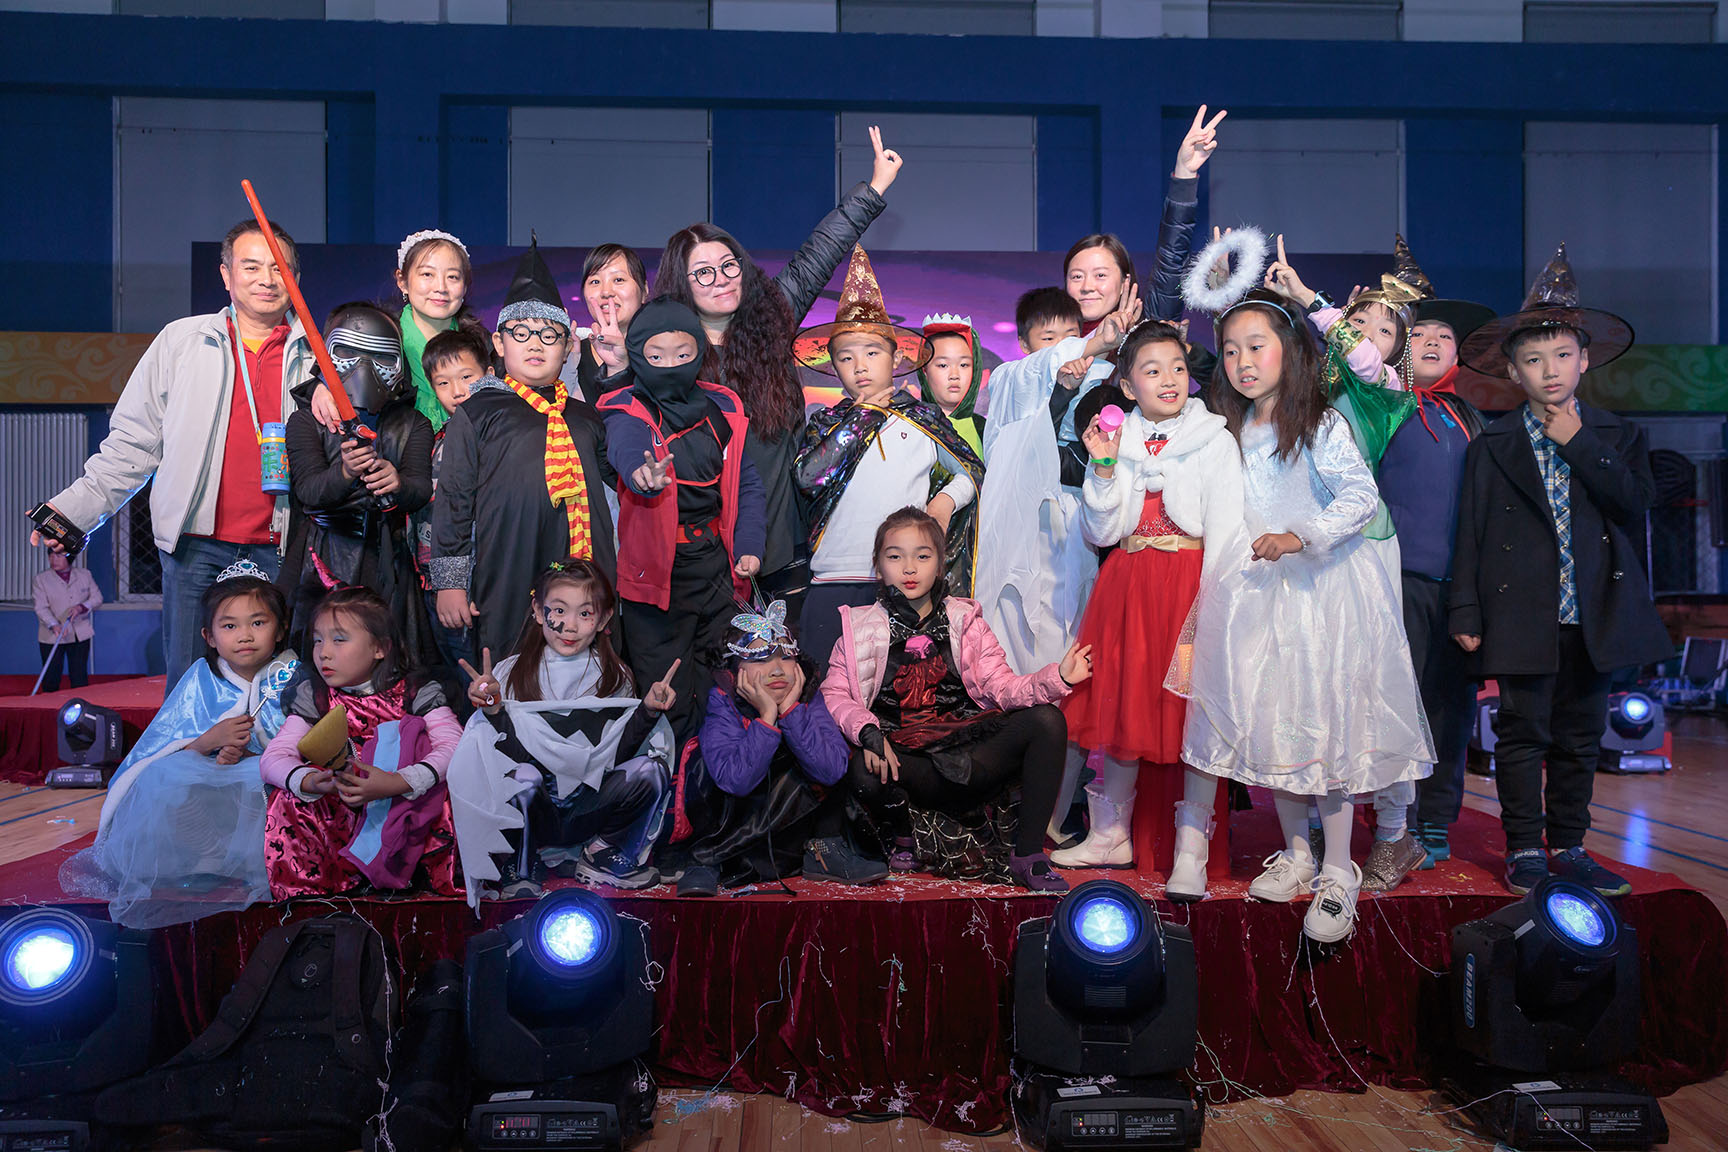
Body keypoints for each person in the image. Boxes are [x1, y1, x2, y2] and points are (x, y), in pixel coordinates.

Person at [1179, 274, 1432, 945]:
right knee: (1276, 725)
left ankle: (1340, 868)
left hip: (1323, 593)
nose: (1243, 362)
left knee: (1326, 728)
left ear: (1289, 351)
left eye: (1256, 346)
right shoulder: (1230, 429)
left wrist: (1301, 535)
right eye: (1231, 350)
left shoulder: (1318, 422)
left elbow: (1360, 497)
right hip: (1260, 593)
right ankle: (1296, 853)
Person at [1452, 245, 1671, 898]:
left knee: (1581, 736)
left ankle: (1570, 845)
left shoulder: (1618, 435)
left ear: (1584, 360)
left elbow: (1633, 503)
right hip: (1521, 611)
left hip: (1595, 611)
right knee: (1522, 734)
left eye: (1562, 355)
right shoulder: (1492, 444)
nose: (1549, 370)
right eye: (1533, 359)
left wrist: (1579, 441)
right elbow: (1471, 532)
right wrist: (1466, 608)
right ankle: (1524, 848)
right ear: (1513, 370)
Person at [35, 219, 314, 686]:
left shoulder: (319, 354)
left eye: (279, 268)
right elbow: (132, 443)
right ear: (226, 275)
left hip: (284, 546)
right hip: (195, 547)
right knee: (187, 686)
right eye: (251, 266)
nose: (266, 279)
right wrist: (72, 512)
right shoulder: (182, 343)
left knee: (281, 690)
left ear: (296, 279)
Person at [652, 124, 907, 612]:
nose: (721, 279)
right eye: (703, 273)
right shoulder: (669, 353)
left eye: (728, 265)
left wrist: (874, 187)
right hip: (704, 540)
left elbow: (819, 254)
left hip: (784, 533)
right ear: (682, 284)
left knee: (788, 651)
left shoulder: (771, 315)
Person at [1048, 321, 1247, 902]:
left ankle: (1191, 849)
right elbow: (1101, 529)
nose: (1169, 379)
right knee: (1124, 704)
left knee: (1194, 712)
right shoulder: (1119, 437)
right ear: (1129, 385)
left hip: (1188, 587)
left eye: (1177, 368)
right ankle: (1110, 835)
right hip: (1129, 586)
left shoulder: (1215, 439)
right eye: (1152, 370)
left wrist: (1217, 605)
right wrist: (1105, 467)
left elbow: (1227, 530)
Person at [822, 507, 1092, 893]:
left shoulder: (966, 622)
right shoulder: (857, 628)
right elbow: (835, 694)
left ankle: (1029, 855)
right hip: (909, 763)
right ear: (878, 566)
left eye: (922, 556)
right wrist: (868, 732)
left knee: (1046, 719)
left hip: (969, 755)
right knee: (863, 769)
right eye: (895, 556)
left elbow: (1003, 687)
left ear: (940, 563)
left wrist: (1057, 678)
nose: (909, 568)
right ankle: (904, 836)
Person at [60, 563, 291, 927]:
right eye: (230, 626)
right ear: (209, 636)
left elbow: (299, 741)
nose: (245, 636)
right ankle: (209, 853)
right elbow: (163, 745)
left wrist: (251, 753)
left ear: (281, 629)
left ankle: (258, 857)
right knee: (166, 773)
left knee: (261, 776)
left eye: (258, 623)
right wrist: (209, 741)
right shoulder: (201, 678)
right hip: (208, 798)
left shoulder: (291, 677)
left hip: (261, 787)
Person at [792, 246, 983, 672]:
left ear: (897, 358)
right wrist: (865, 414)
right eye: (846, 357)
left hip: (904, 583)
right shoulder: (826, 422)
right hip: (832, 579)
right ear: (833, 366)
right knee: (825, 691)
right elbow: (808, 477)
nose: (859, 366)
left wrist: (945, 501)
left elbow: (971, 471)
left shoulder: (922, 419)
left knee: (903, 695)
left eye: (872, 353)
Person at [430, 238, 618, 666]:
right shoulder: (478, 411)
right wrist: (450, 582)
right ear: (499, 344)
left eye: (549, 335)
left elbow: (618, 480)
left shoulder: (586, 416)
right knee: (509, 664)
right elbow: (454, 499)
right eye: (521, 333)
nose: (535, 344)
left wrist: (645, 477)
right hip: (509, 564)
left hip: (585, 565)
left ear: (568, 347)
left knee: (590, 669)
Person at [448, 560, 675, 903]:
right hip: (535, 809)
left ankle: (602, 853)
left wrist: (647, 712)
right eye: (558, 611)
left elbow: (617, 756)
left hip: (590, 807)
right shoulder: (508, 674)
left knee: (651, 770)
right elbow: (496, 762)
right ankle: (522, 862)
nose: (569, 626)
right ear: (538, 611)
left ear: (603, 619)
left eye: (584, 614)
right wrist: (493, 710)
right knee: (521, 777)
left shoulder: (614, 676)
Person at [599, 298, 768, 743]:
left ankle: (716, 774)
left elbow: (747, 483)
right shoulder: (625, 407)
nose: (671, 366)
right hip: (657, 578)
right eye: (656, 357)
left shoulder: (722, 407)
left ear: (698, 351)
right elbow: (625, 443)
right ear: (638, 356)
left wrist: (750, 545)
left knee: (722, 689)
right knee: (665, 695)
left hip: (716, 569)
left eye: (683, 354)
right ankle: (669, 780)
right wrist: (641, 475)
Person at [1376, 290, 1497, 875]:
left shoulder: (1472, 420)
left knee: (1450, 705)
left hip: (1459, 587)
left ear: (1457, 354)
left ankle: (1434, 817)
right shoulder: (1384, 408)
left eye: (1443, 336)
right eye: (1420, 333)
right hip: (1393, 578)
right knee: (1391, 701)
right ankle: (1385, 818)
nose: (1431, 342)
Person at [260, 586, 462, 898]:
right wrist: (310, 781)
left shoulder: (415, 692)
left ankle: (416, 874)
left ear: (380, 648)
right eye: (318, 640)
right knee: (288, 795)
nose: (324, 653)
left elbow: (453, 746)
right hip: (345, 809)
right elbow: (273, 758)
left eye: (339, 640)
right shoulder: (317, 696)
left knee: (445, 782)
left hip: (404, 805)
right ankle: (315, 890)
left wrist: (398, 782)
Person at [676, 598, 874, 894]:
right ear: (736, 669)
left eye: (785, 657)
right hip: (734, 831)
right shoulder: (722, 700)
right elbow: (736, 781)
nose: (778, 670)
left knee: (816, 752)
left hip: (790, 834)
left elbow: (832, 770)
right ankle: (707, 861)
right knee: (704, 763)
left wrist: (792, 712)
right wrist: (767, 718)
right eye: (760, 659)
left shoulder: (808, 696)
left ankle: (822, 850)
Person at [278, 302, 436, 663]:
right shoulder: (306, 422)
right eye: (350, 353)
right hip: (322, 557)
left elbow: (420, 490)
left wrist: (397, 483)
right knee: (320, 659)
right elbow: (308, 491)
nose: (364, 368)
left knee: (389, 660)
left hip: (388, 560)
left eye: (380, 356)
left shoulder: (414, 424)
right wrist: (345, 472)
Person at [415, 328, 491, 672]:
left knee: (478, 675)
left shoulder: (491, 435)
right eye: (443, 383)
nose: (457, 391)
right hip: (433, 580)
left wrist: (455, 584)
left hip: (471, 583)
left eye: (466, 377)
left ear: (489, 374)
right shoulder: (438, 436)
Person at [392, 229, 487, 431]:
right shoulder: (382, 340)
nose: (441, 287)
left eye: (452, 277)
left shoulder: (484, 344)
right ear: (402, 281)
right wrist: (324, 389)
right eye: (427, 274)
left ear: (465, 286)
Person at [574, 242, 646, 404]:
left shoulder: (661, 354)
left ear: (644, 291)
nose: (606, 292)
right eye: (595, 282)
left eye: (618, 279)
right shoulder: (571, 357)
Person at [916, 315, 987, 457]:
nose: (954, 375)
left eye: (964, 365)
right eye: (943, 365)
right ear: (924, 370)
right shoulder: (909, 425)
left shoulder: (986, 429)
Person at [33, 550, 102, 692]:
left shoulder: (85, 575)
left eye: (58, 556)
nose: (54, 560)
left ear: (69, 558)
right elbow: (40, 607)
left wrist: (82, 607)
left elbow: (97, 598)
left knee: (79, 675)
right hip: (52, 635)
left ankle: (79, 703)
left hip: (79, 633)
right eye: (51, 556)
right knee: (51, 676)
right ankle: (49, 702)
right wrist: (54, 624)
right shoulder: (41, 579)